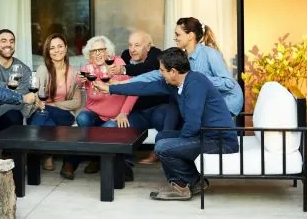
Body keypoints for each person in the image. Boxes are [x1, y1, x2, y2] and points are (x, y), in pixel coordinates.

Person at [95, 47, 239, 200]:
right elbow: (144, 87)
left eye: (162, 70)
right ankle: (192, 182)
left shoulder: (196, 83)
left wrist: (177, 144)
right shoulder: (174, 83)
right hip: (203, 134)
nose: (160, 73)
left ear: (174, 71)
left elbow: (193, 124)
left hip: (219, 140)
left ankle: (183, 186)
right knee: (163, 137)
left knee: (164, 147)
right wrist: (110, 88)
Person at [125, 17, 243, 117]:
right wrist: (125, 83)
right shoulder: (182, 57)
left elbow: (228, 83)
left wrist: (197, 79)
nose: (175, 38)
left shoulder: (210, 53)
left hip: (228, 100)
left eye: (178, 34)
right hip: (206, 101)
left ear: (190, 35)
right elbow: (157, 74)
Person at [60, 35, 137, 180]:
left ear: (108, 51)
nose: (97, 53)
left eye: (101, 49)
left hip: (114, 116)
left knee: (108, 127)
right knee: (82, 118)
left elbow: (133, 91)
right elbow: (79, 81)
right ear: (89, 55)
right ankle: (93, 159)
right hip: (94, 113)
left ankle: (87, 161)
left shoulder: (118, 65)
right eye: (93, 51)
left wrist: (123, 113)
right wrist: (80, 81)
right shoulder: (88, 68)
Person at [109, 30, 177, 165]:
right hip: (136, 110)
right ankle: (124, 166)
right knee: (124, 125)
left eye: (137, 45)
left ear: (148, 46)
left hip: (157, 107)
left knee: (168, 116)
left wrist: (124, 69)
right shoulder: (125, 55)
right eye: (130, 45)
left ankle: (160, 152)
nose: (132, 50)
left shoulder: (156, 54)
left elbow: (148, 69)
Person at [30, 33, 82, 171]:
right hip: (44, 112)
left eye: (60, 46)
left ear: (65, 48)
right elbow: (36, 96)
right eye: (52, 48)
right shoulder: (43, 70)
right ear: (48, 51)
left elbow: (76, 102)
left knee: (43, 112)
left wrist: (54, 105)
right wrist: (40, 103)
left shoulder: (74, 73)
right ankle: (47, 155)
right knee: (45, 117)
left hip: (65, 114)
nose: (57, 50)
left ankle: (33, 156)